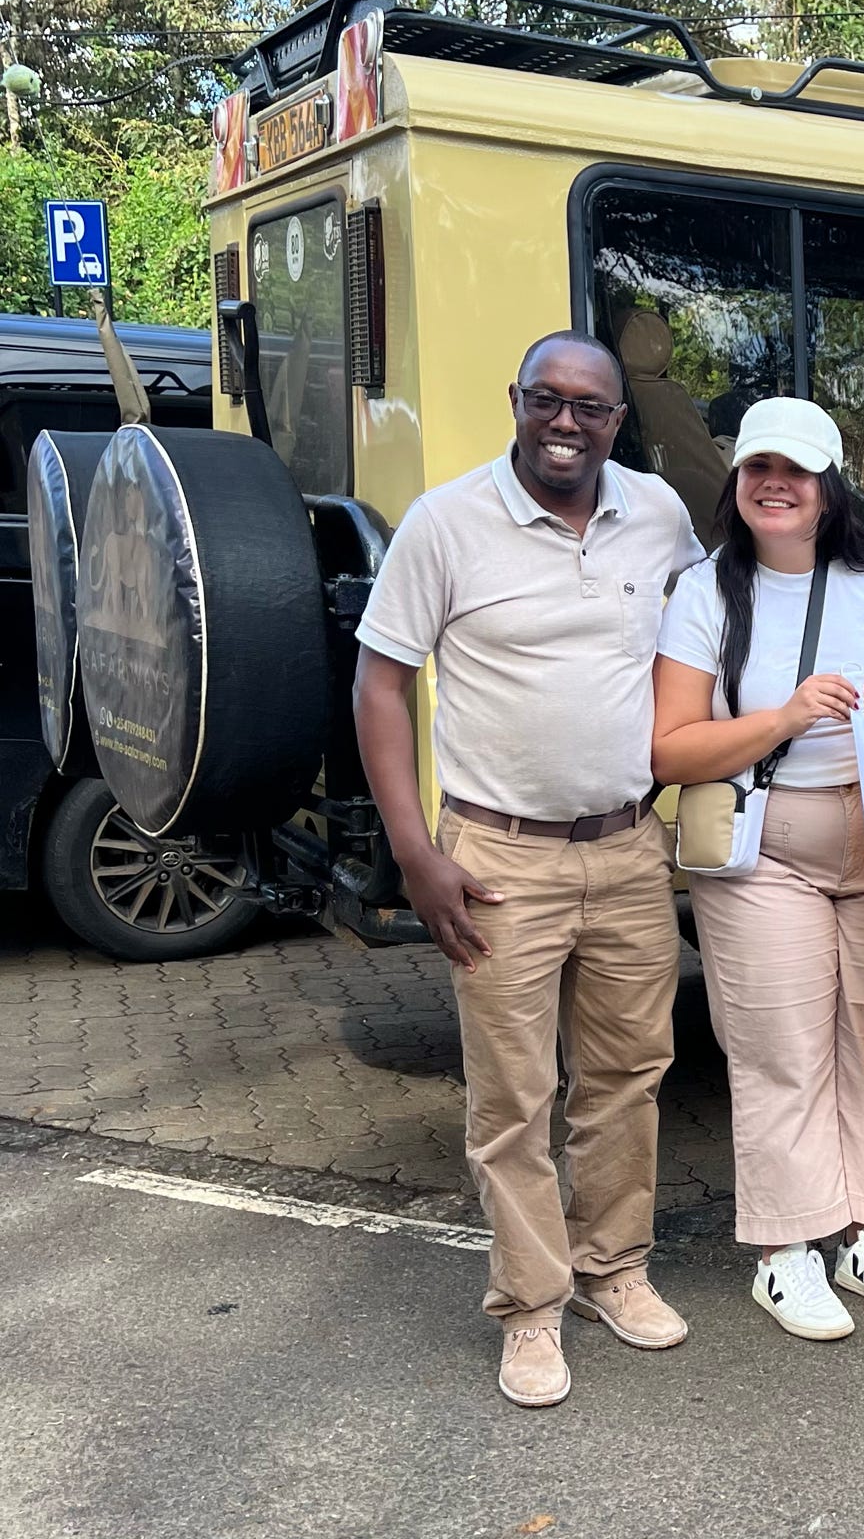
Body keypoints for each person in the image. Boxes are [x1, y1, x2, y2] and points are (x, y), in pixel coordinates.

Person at [353, 331, 702, 1410]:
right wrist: (416, 850)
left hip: (631, 846)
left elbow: (695, 646)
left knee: (628, 1077)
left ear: (614, 420)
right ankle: (531, 1305)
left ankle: (612, 1270)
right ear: (516, 400)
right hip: (495, 854)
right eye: (546, 400)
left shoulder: (658, 513)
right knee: (513, 1096)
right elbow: (379, 685)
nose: (566, 422)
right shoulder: (446, 522)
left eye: (589, 407)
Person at [651, 398, 864, 1342]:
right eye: (760, 467)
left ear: (827, 490)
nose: (777, 484)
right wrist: (784, 716)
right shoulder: (704, 592)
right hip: (764, 847)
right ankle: (788, 1251)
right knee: (781, 1047)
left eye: (799, 471)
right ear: (738, 482)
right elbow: (671, 750)